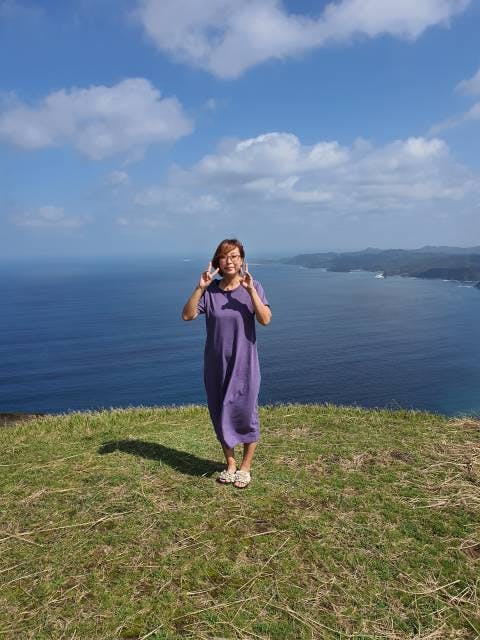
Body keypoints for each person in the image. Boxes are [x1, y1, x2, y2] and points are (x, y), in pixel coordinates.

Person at [182, 238, 272, 488]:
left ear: (242, 260)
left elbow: (265, 319)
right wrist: (200, 288)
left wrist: (251, 291)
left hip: (245, 364)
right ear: (217, 262)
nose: (229, 261)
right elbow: (187, 315)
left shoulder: (253, 286)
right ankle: (230, 464)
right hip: (216, 364)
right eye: (224, 256)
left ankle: (245, 467)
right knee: (220, 412)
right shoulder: (210, 291)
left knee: (247, 412)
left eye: (234, 256)